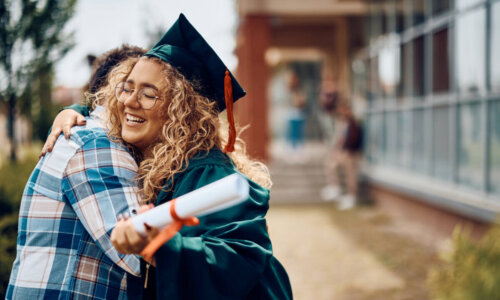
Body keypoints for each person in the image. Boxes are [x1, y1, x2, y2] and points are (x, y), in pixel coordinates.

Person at [45, 13, 292, 299]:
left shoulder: (207, 171)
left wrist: (164, 246)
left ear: (182, 111)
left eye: (149, 94)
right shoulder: (153, 162)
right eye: (127, 87)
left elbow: (239, 256)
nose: (129, 101)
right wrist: (75, 110)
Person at [7, 45, 146, 299]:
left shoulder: (88, 136)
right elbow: (139, 255)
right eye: (130, 87)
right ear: (109, 92)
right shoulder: (100, 145)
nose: (138, 100)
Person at [321, 101, 363, 210]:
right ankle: (335, 187)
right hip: (342, 152)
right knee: (330, 164)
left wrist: (345, 151)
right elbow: (339, 140)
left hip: (351, 153)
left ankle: (352, 195)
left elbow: (353, 141)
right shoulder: (341, 123)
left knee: (350, 172)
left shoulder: (354, 124)